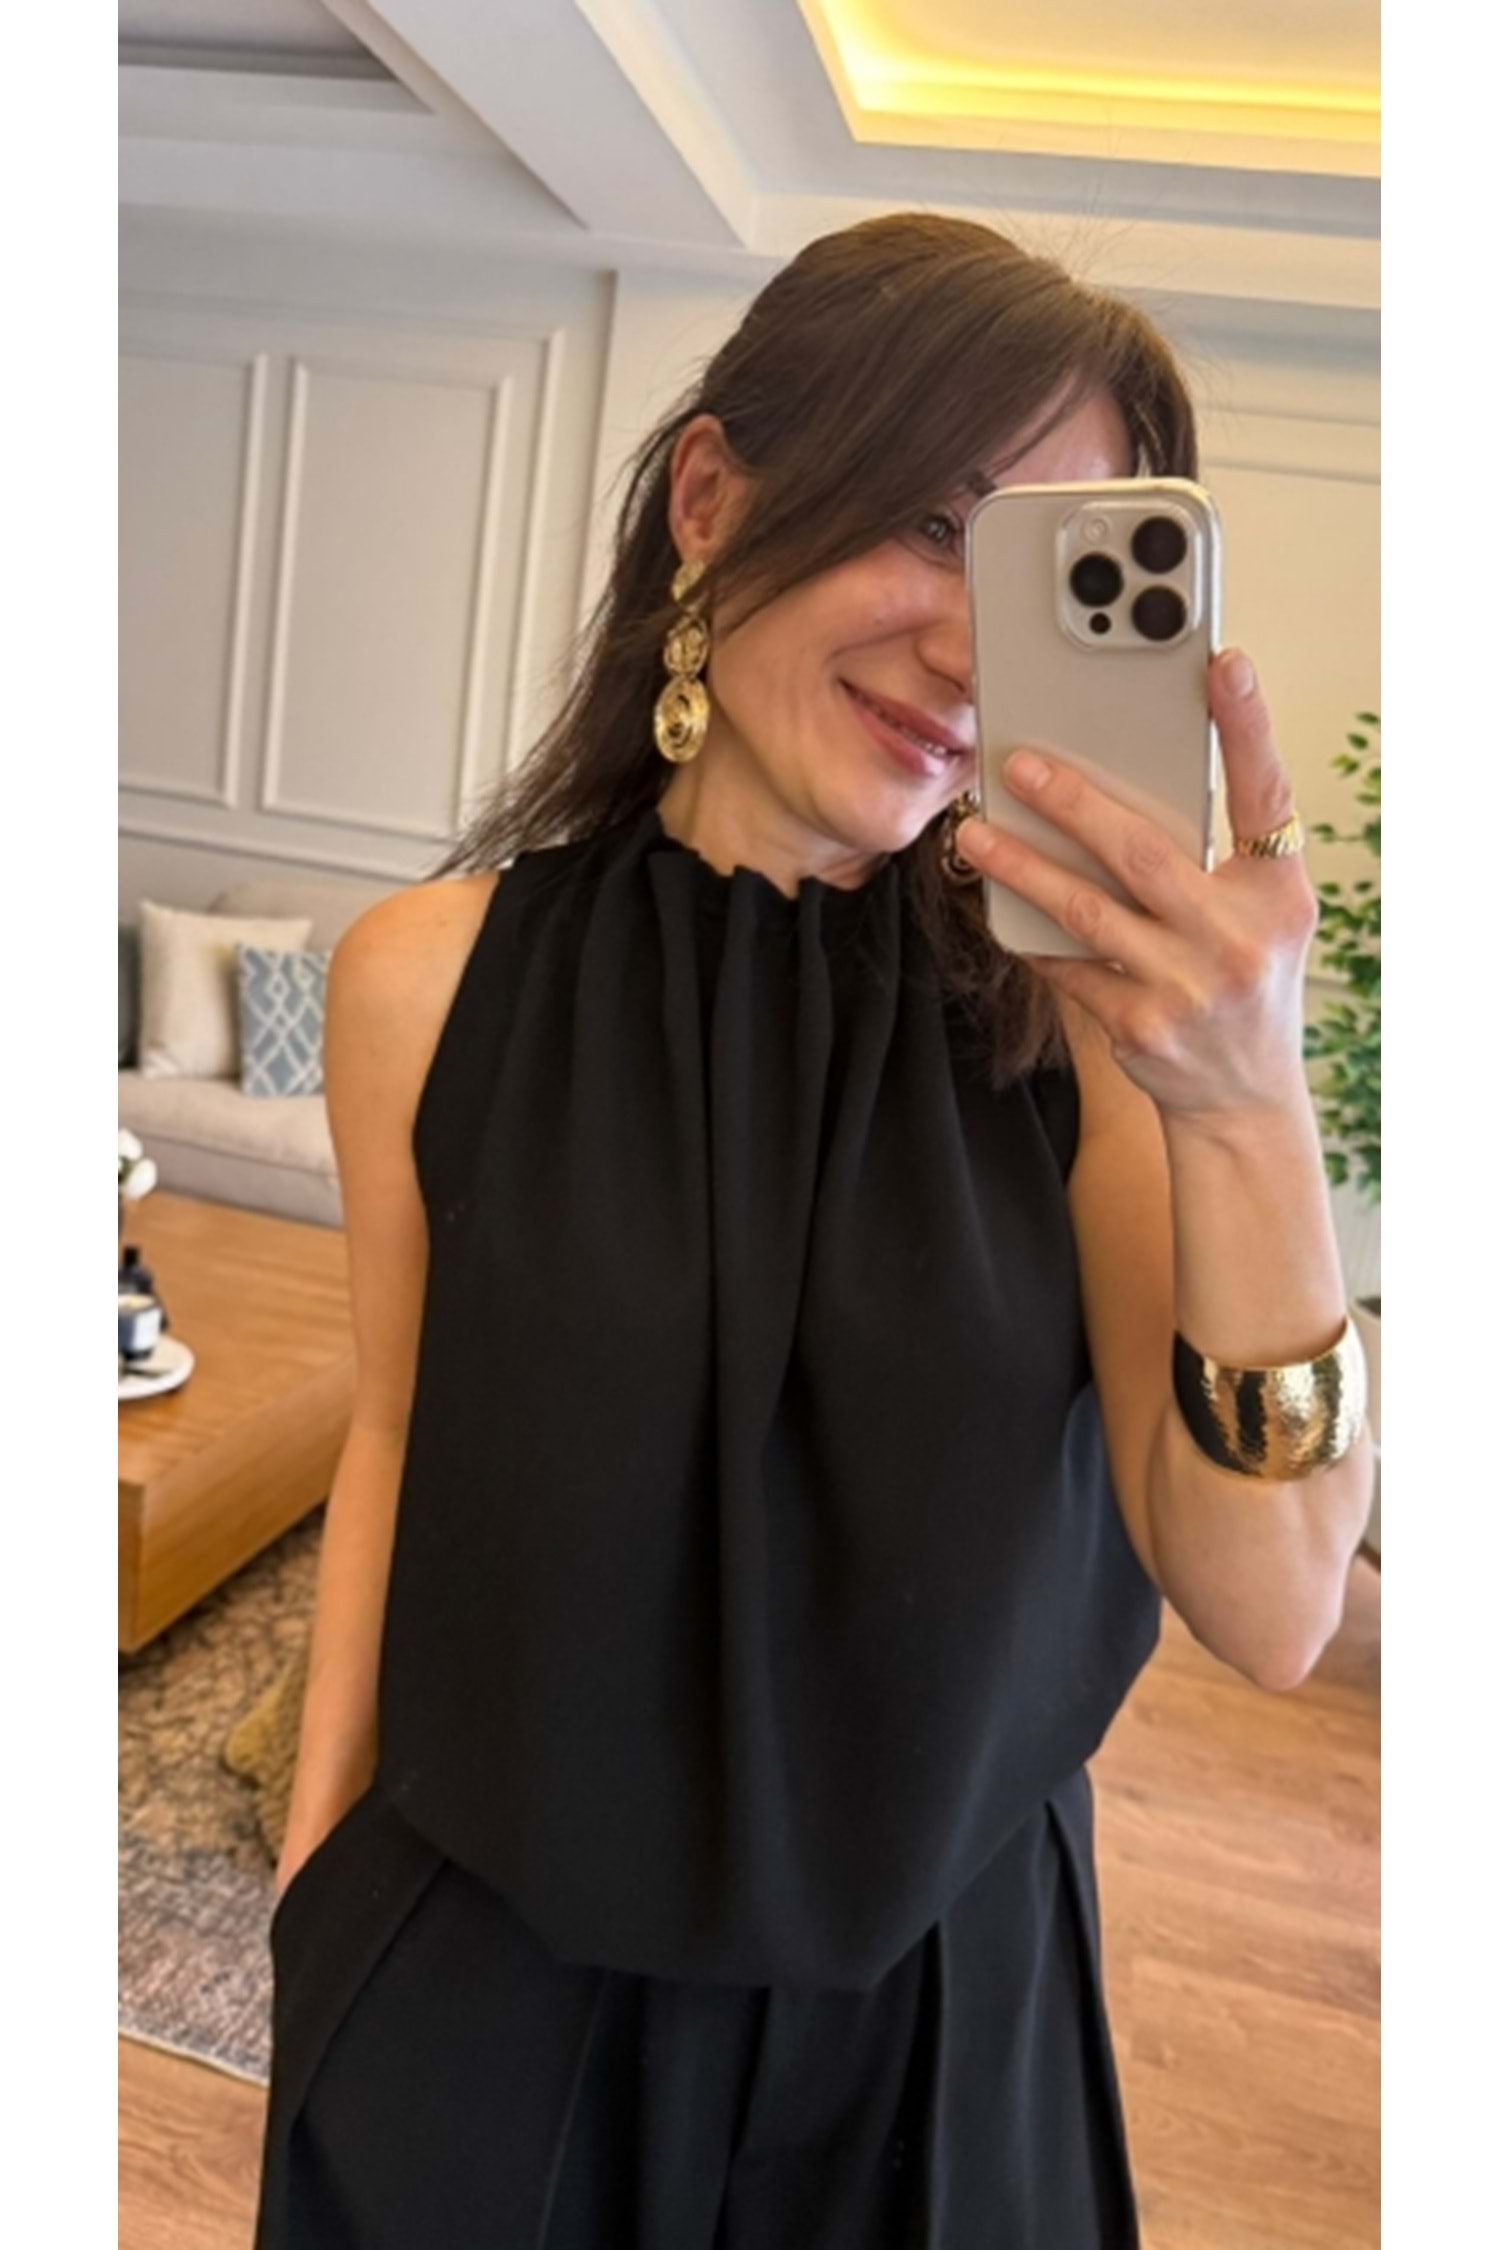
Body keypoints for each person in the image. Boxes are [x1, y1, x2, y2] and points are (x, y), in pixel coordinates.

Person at [251, 212, 1375, 2249]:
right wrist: (316, 1878)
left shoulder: (1093, 1045)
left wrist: (1247, 1100)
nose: (970, 651)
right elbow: (402, 1432)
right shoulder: (428, 978)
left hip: (932, 2051)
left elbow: (1276, 1605)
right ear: (712, 497)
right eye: (936, 523)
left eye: (1044, 580)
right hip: (481, 2010)